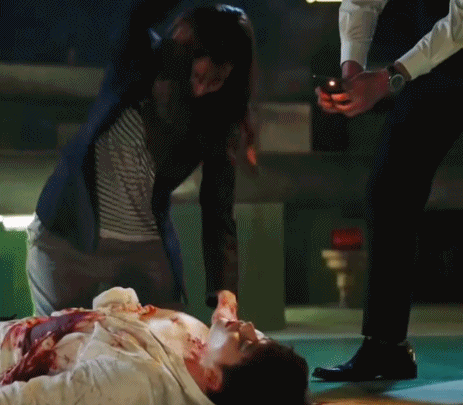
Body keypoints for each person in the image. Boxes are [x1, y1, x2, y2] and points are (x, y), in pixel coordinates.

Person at [26, 2, 258, 323]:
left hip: (145, 250)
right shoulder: (139, 59)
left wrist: (226, 294)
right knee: (60, 343)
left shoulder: (215, 117)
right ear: (184, 52)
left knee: (170, 343)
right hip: (70, 238)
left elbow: (218, 206)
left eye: (216, 81)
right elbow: (141, 11)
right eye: (199, 75)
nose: (201, 89)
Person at [313, 0, 463, 381]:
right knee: (390, 188)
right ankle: (386, 346)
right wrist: (352, 75)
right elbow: (361, 2)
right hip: (439, 58)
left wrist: (386, 79)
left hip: (453, 34)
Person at [0, 287, 310, 405]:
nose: (248, 327)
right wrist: (226, 311)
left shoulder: (134, 382)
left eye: (246, 344)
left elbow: (20, 401)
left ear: (214, 379)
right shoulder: (207, 352)